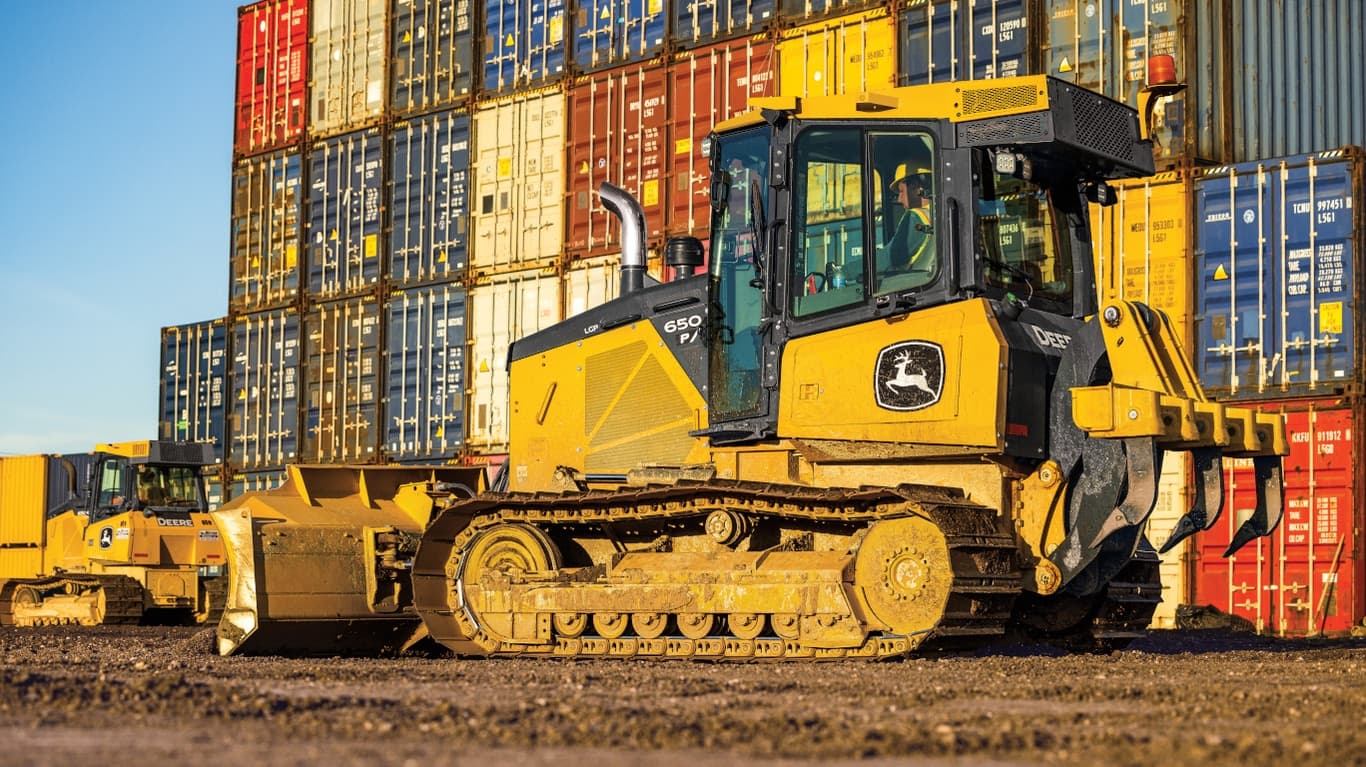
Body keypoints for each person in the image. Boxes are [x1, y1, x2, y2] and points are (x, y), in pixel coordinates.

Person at [883, 163, 935, 275]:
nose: (899, 200)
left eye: (901, 191)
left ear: (916, 187)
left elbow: (890, 257)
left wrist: (845, 271)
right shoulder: (937, 213)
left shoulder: (915, 217)